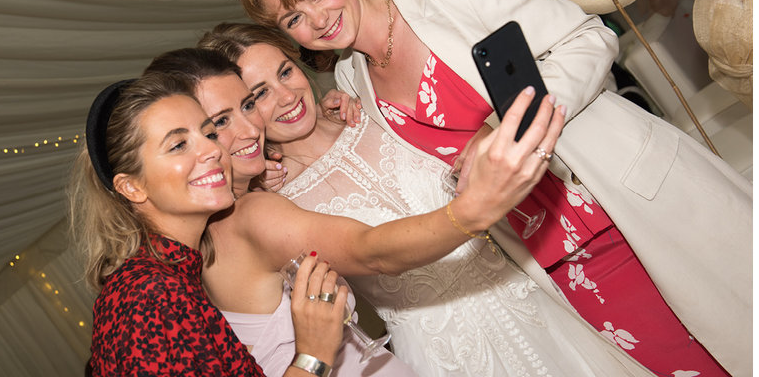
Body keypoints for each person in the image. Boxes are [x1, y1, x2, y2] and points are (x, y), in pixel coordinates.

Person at [233, 0, 752, 377]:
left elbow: (590, 38)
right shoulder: (351, 81)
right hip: (552, 257)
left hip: (620, 195)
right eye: (293, 19)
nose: (317, 20)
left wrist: (507, 125)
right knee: (681, 364)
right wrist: (274, 165)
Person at [197, 23, 662, 377]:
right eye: (257, 95)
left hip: (539, 298)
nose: (285, 96)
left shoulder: (369, 106)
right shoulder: (274, 201)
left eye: (286, 71)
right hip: (447, 355)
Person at [142, 46, 563, 376]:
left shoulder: (212, 227)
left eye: (248, 105)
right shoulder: (249, 215)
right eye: (218, 123)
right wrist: (472, 210)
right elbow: (369, 249)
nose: (250, 128)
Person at [69, 73, 348, 376]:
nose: (213, 150)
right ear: (132, 187)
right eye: (178, 145)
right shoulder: (148, 296)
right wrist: (313, 355)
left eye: (210, 135)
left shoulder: (173, 278)